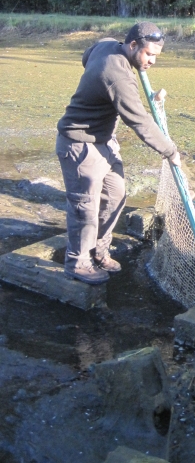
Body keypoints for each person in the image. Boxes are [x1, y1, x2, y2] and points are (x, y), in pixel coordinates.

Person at [56, 22, 181, 285]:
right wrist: (170, 151)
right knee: (84, 208)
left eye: (156, 56)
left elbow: (86, 56)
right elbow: (140, 122)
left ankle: (99, 251)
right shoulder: (117, 76)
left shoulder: (107, 44)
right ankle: (77, 263)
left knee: (116, 195)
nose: (153, 61)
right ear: (133, 45)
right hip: (80, 143)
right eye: (149, 54)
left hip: (104, 140)